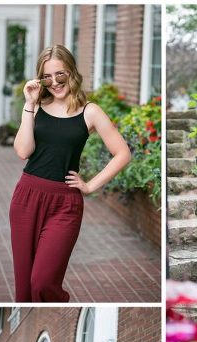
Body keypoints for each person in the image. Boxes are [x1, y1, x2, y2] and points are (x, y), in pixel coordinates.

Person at [12, 45, 131, 302]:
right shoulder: (38, 106)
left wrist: (89, 185)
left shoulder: (90, 111)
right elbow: (23, 151)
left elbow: (123, 153)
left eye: (60, 75)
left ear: (72, 72)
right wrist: (29, 105)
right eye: (47, 77)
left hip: (65, 204)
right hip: (27, 197)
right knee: (24, 286)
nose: (54, 82)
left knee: (42, 281)